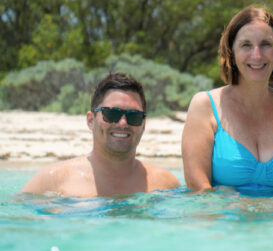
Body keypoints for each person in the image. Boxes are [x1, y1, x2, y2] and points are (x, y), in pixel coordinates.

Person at [182, 6, 273, 191]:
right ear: (231, 53)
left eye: (265, 44)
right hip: (224, 219)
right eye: (246, 45)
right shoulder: (205, 106)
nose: (256, 55)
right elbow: (198, 189)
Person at [21, 73, 180, 197]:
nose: (123, 123)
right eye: (111, 114)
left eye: (133, 116)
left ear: (143, 125)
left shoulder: (165, 185)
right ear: (91, 120)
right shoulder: (52, 181)